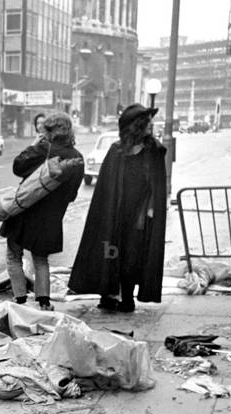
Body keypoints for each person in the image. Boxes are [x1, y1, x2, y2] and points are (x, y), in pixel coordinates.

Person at [68, 103, 167, 312]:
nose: (152, 126)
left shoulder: (153, 151)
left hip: (139, 216)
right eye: (148, 122)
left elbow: (157, 187)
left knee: (132, 256)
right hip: (115, 212)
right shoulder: (116, 151)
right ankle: (108, 294)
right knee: (109, 252)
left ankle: (127, 296)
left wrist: (151, 211)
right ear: (137, 126)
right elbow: (106, 187)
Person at [0, 112, 84, 311]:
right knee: (41, 260)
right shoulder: (77, 157)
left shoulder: (42, 150)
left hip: (24, 212)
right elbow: (72, 194)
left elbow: (18, 167)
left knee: (13, 256)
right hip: (50, 218)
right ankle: (44, 303)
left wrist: (35, 145)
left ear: (47, 131)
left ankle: (20, 300)